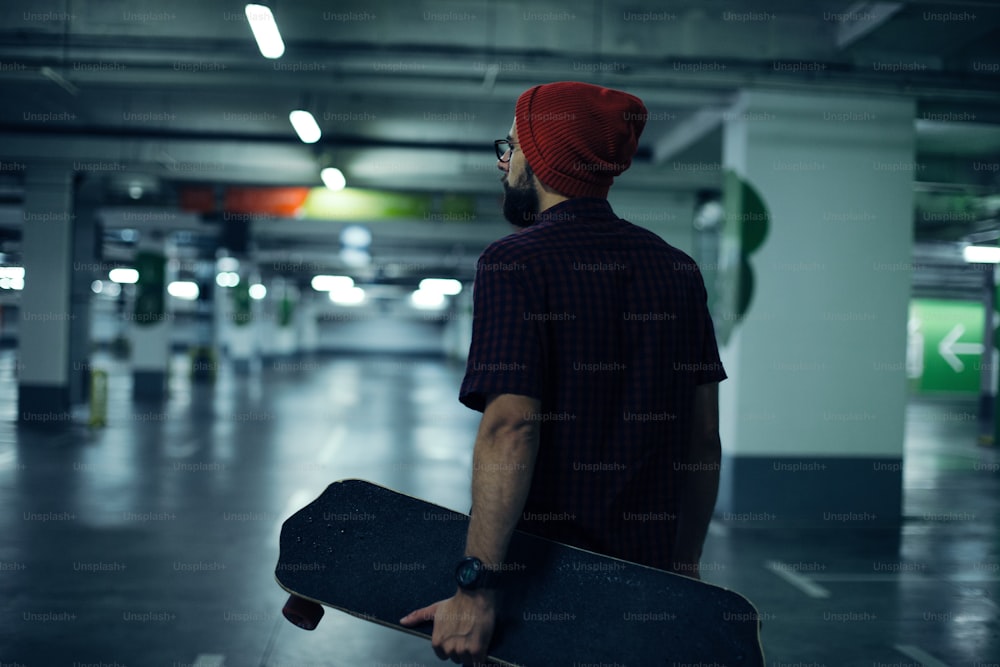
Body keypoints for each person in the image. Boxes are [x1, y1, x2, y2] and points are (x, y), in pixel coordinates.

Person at [401, 81, 726, 664]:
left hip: (540, 586)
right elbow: (702, 438)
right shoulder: (679, 271)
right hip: (642, 584)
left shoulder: (514, 263)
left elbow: (511, 428)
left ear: (543, 158)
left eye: (514, 146)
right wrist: (682, 570)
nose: (506, 161)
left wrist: (475, 590)